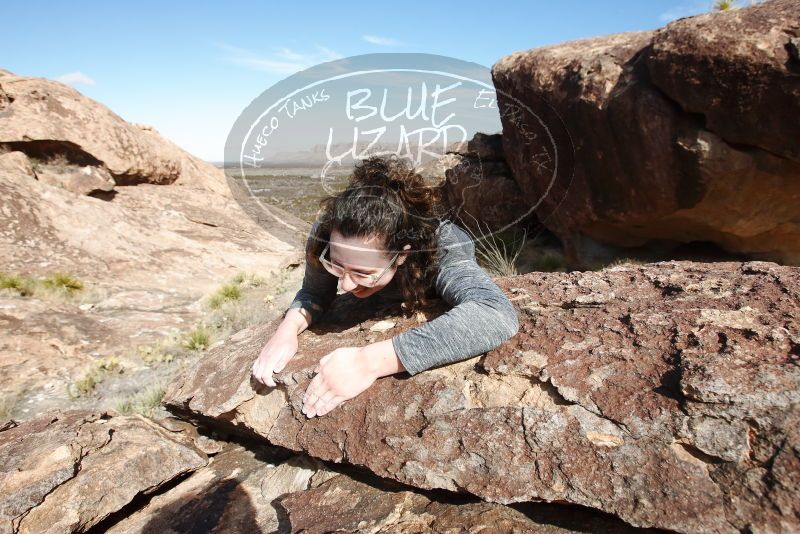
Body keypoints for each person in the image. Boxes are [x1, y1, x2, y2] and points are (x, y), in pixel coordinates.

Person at [251, 154, 520, 418]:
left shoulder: (444, 249)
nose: (345, 284)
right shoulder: (330, 233)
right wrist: (288, 329)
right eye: (337, 266)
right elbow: (315, 293)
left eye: (362, 272)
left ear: (402, 255)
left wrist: (367, 363)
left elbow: (493, 313)